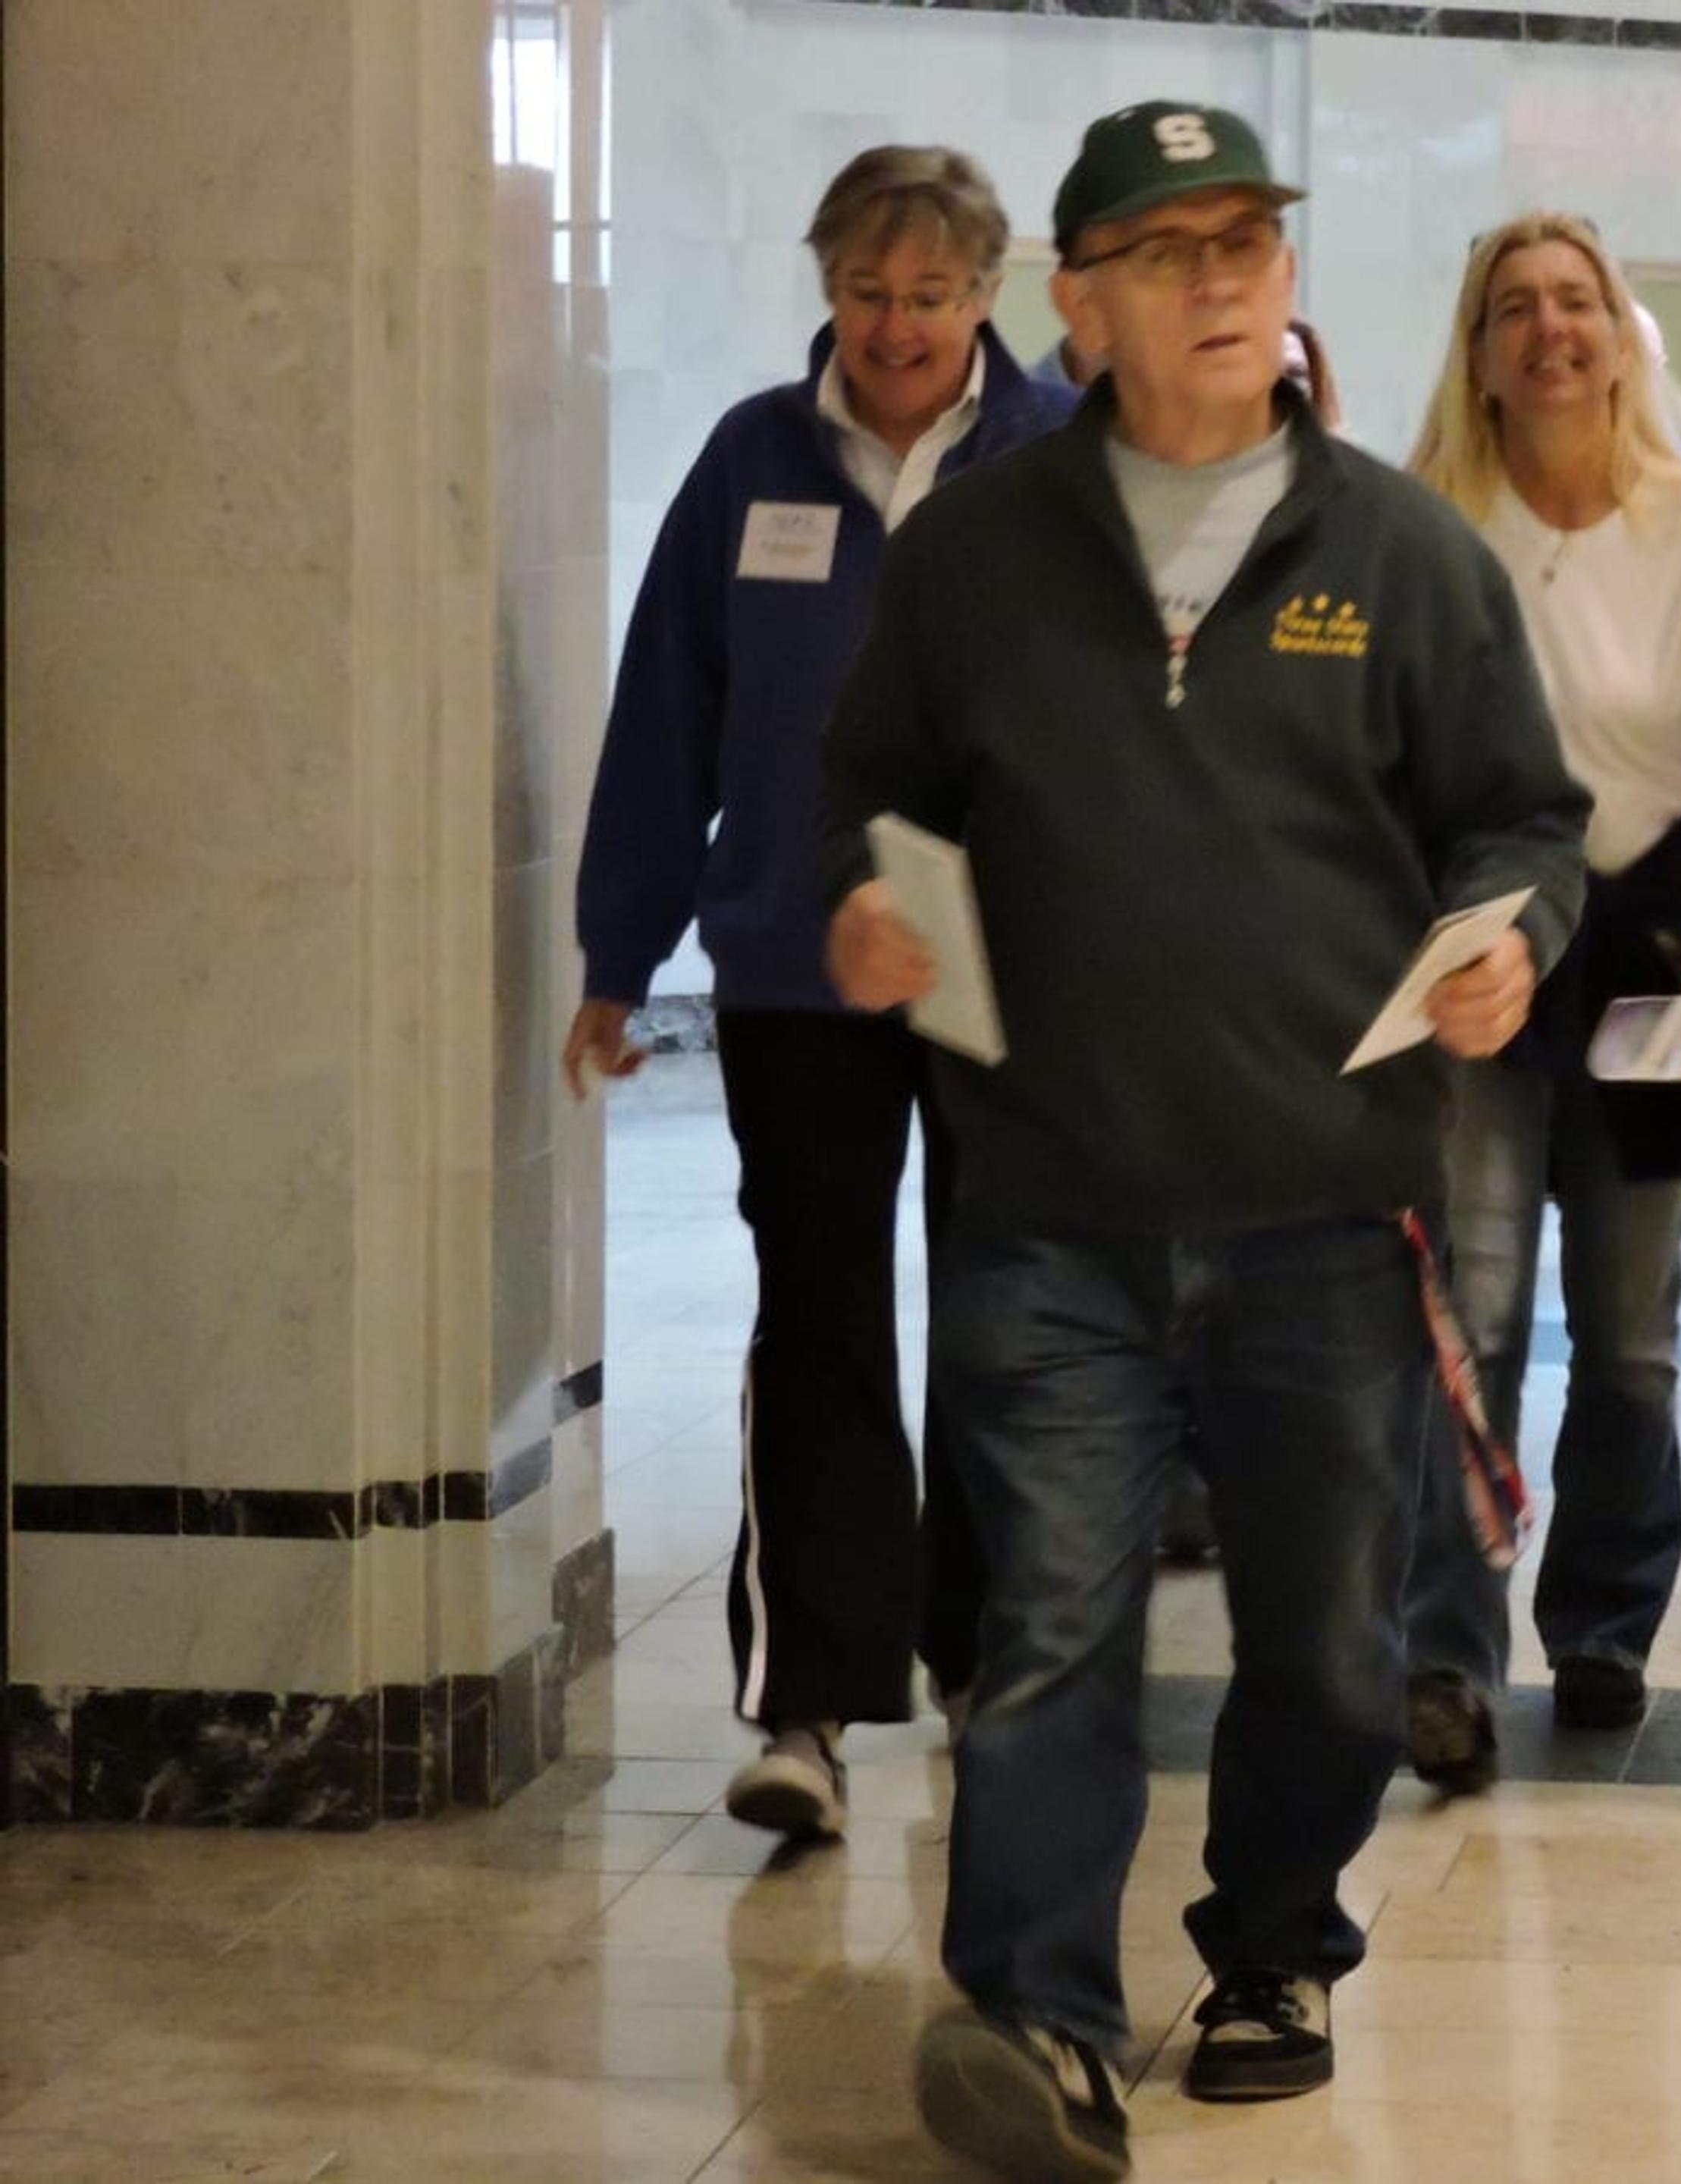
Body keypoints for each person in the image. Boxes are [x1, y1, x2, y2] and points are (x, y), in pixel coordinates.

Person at [815, 102, 1588, 2182]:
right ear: (1078, 305)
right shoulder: (975, 556)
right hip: (1047, 1207)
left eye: (1250, 240)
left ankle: (1271, 1944)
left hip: (1328, 1209)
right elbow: (865, 794)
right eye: (1171, 252)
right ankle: (1043, 2024)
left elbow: (1520, 818)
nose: (1228, 277)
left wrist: (1509, 937)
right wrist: (868, 913)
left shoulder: (1402, 552)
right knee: (1052, 1624)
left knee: (1330, 1643)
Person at [566, 145, 1074, 1840]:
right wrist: (615, 958)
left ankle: (990, 1655)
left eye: (930, 293)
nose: (897, 324)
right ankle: (807, 1705)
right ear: (826, 289)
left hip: (1015, 973)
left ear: (989, 294)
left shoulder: (1059, 456)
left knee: (1009, 1319)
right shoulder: (752, 460)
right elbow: (667, 716)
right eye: (867, 290)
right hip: (795, 965)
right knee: (820, 1325)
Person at [1397, 213, 1681, 1789]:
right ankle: (1446, 1651)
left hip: (1649, 946)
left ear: (1616, 327)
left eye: (1576, 301)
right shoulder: (1427, 515)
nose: (1550, 329)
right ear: (1479, 347)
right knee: (1482, 1313)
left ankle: (1602, 1628)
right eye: (1515, 307)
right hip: (1480, 953)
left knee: (1633, 1331)